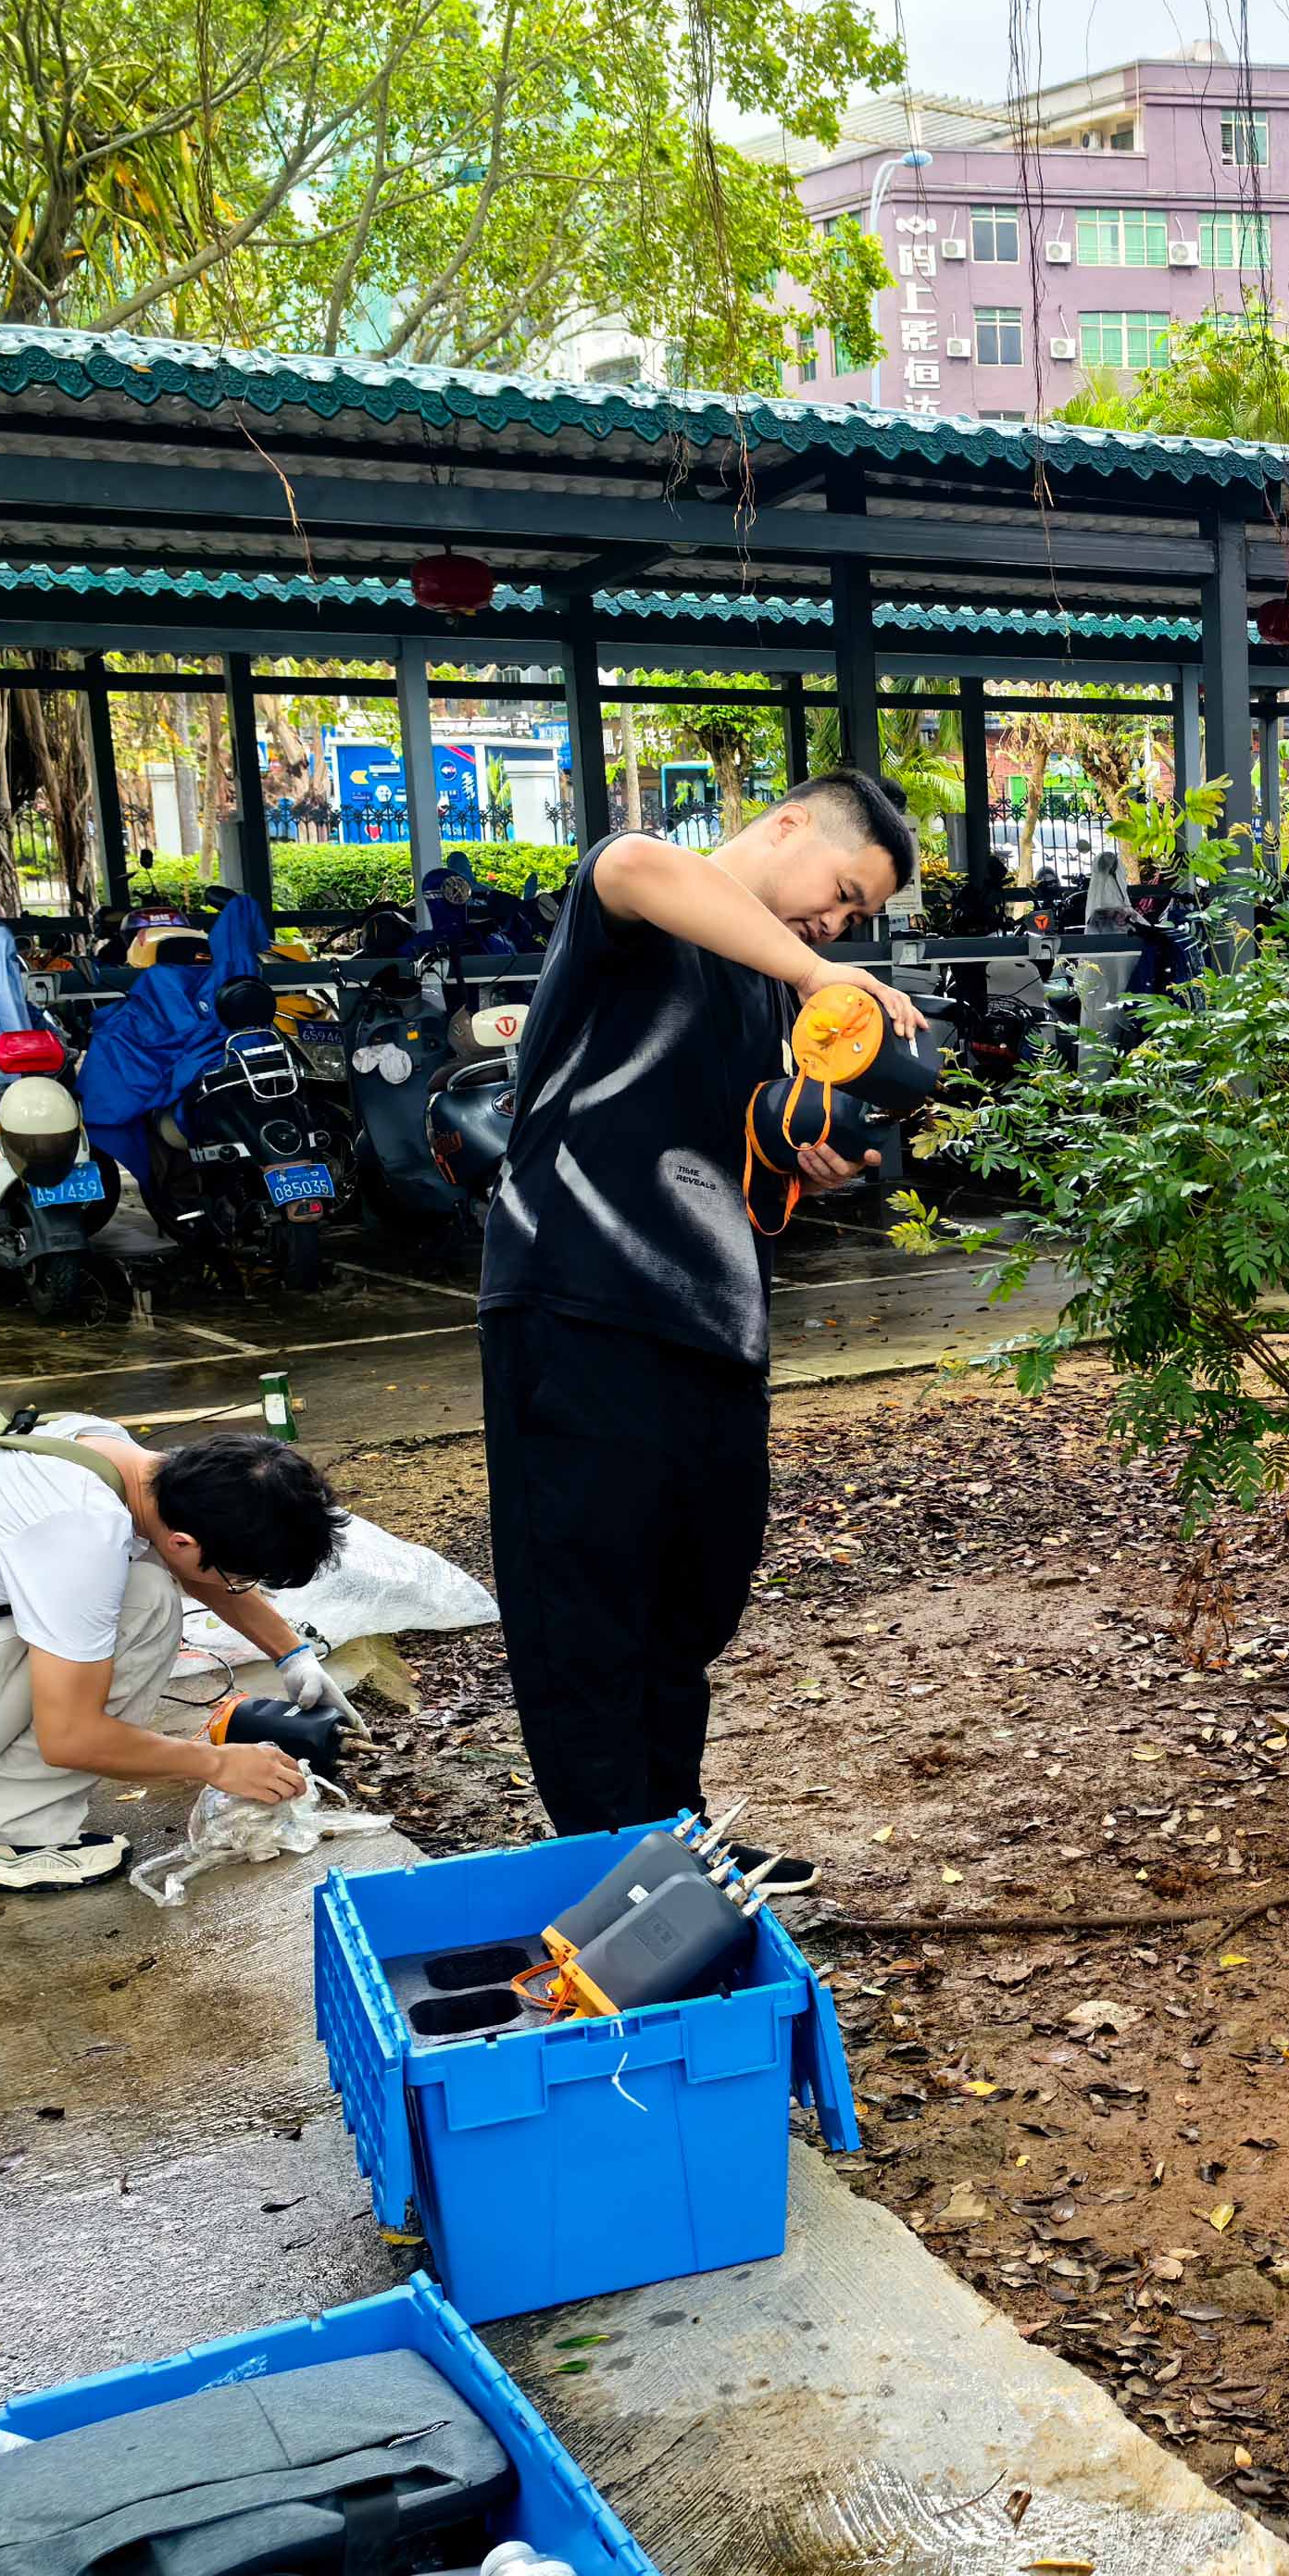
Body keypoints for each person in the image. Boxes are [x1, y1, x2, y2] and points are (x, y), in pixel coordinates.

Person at [479, 771, 920, 1838]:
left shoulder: (770, 997)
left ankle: (671, 1831)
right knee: (585, 1607)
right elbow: (632, 863)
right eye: (846, 890)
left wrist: (800, 1162)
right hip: (578, 1300)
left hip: (713, 1327)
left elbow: (720, 1168)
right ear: (789, 824)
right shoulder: (646, 912)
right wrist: (824, 971)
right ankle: (606, 1859)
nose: (839, 920)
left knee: (692, 1599)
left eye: (857, 918)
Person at [0, 1426, 351, 1894]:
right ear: (184, 1541)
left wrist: (293, 1655)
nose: (238, 1588)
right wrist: (217, 1764)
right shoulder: (79, 1532)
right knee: (145, 1600)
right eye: (240, 1578)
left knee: (132, 1589)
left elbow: (192, 1563)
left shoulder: (99, 1449)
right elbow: (71, 1737)